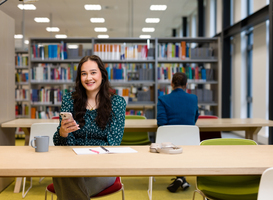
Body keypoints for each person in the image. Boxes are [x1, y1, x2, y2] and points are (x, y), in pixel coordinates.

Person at [52, 55, 126, 200]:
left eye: (93, 72)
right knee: (64, 172)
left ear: (102, 75)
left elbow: (114, 143)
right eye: (84, 73)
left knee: (64, 177)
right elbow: (61, 144)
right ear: (79, 78)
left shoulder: (117, 103)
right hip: (73, 163)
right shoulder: (69, 100)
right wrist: (63, 133)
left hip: (102, 166)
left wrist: (87, 157)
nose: (88, 78)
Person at [157, 72, 199, 193]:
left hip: (169, 143)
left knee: (172, 142)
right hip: (190, 141)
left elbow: (161, 123)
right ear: (186, 85)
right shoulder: (193, 98)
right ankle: (182, 178)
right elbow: (194, 118)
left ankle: (180, 178)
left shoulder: (163, 99)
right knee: (182, 144)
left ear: (171, 84)